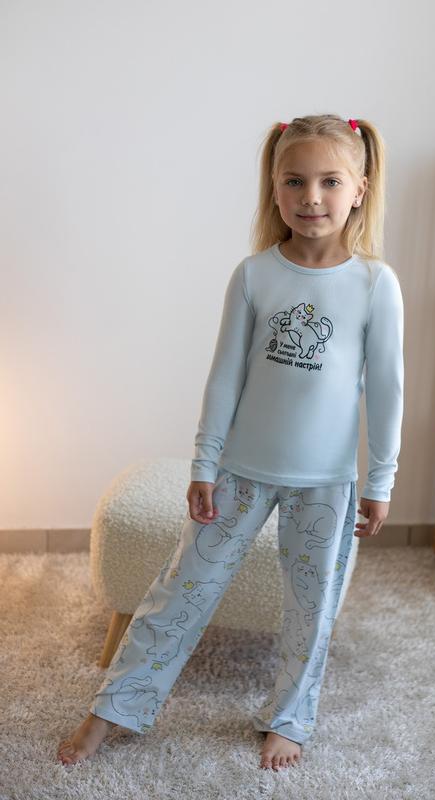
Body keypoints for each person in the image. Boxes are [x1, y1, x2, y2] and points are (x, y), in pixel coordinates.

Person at [57, 113, 404, 771]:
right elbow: (224, 378)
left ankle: (290, 717)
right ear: (273, 188)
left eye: (329, 181)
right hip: (241, 470)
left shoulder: (373, 285)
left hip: (325, 482)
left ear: (359, 188)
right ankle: (115, 708)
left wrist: (381, 479)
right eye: (293, 181)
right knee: (180, 591)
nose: (310, 197)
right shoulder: (254, 275)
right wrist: (204, 463)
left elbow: (387, 390)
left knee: (310, 611)